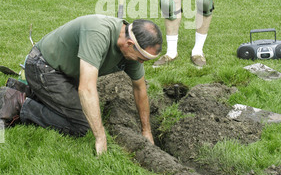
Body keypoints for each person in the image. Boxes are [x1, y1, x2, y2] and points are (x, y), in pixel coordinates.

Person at [0, 15, 162, 155]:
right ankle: (20, 104)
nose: (141, 63)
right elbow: (86, 88)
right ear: (129, 44)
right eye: (141, 58)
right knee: (81, 126)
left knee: (82, 114)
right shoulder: (98, 34)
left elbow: (140, 89)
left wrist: (146, 130)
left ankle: (25, 91)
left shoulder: (130, 51)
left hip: (65, 74)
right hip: (42, 66)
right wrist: (100, 137)